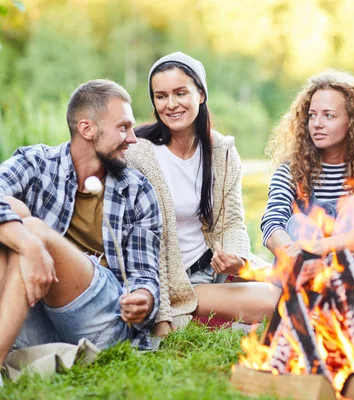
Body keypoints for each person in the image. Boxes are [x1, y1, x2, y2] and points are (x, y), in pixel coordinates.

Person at [0, 79, 162, 365]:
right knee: (12, 214)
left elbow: (145, 274)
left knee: (31, 227)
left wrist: (144, 298)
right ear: (87, 129)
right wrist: (27, 246)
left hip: (101, 322)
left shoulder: (137, 190)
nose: (133, 138)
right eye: (123, 127)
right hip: (32, 316)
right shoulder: (36, 163)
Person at [126, 52, 279, 337]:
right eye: (161, 96)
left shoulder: (221, 150)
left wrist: (236, 259)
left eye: (180, 93)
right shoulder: (139, 154)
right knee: (277, 301)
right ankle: (204, 314)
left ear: (200, 94)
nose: (171, 104)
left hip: (213, 269)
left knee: (295, 283)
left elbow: (232, 220)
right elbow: (140, 243)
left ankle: (220, 313)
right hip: (178, 281)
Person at [260, 70, 354, 274]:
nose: (317, 124)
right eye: (312, 115)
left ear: (352, 121)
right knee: (298, 221)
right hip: (303, 275)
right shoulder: (290, 170)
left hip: (353, 278)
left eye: (329, 116)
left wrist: (327, 246)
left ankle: (347, 295)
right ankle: (308, 295)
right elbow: (272, 224)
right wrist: (297, 256)